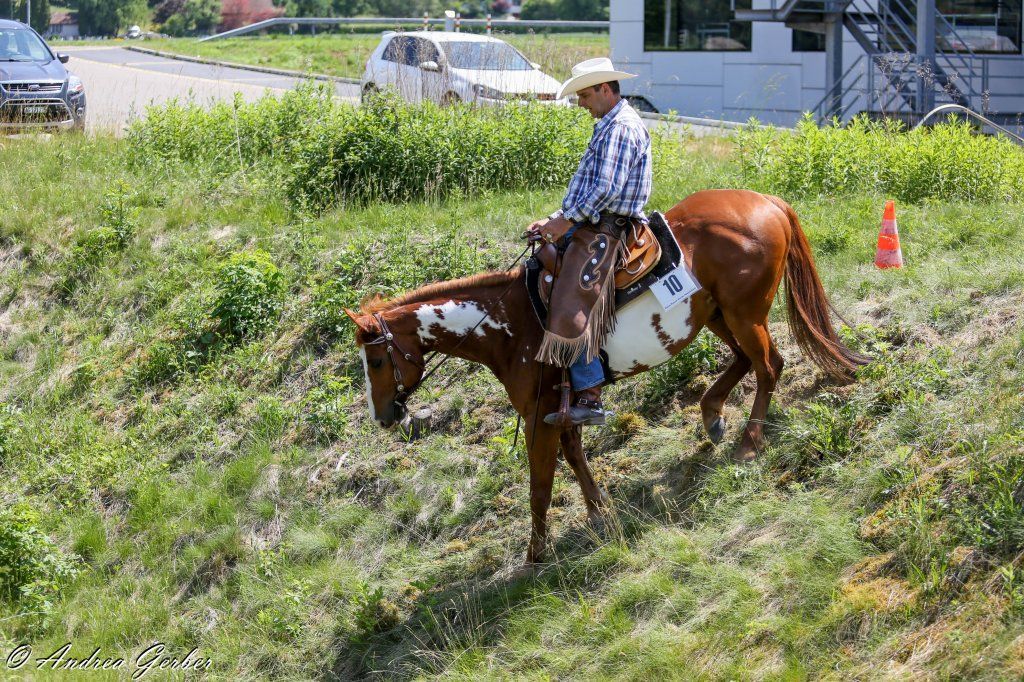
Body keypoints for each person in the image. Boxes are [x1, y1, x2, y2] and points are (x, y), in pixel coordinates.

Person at [526, 58, 653, 426]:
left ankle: (589, 394)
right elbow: (589, 189)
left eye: (584, 94)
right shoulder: (609, 124)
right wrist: (555, 219)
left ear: (604, 89)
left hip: (607, 229)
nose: (581, 103)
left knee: (571, 297)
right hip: (593, 222)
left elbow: (604, 190)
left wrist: (563, 222)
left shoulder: (620, 128)